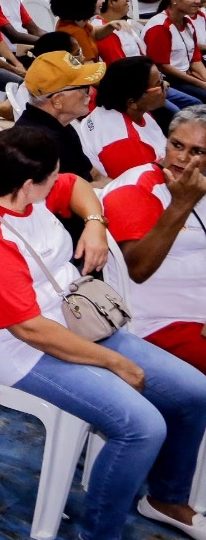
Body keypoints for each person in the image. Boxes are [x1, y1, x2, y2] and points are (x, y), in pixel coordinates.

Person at [0, 125, 206, 540]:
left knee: (194, 393)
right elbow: (29, 329)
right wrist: (115, 362)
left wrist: (95, 222)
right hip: (26, 353)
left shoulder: (29, 193)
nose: (59, 181)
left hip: (79, 323)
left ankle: (167, 498)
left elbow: (80, 189)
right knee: (141, 425)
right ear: (27, 185)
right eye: (52, 177)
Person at [105, 104, 206, 374]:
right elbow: (138, 269)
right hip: (158, 324)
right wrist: (181, 205)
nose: (183, 158)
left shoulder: (200, 183)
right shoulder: (136, 188)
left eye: (197, 151)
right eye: (177, 145)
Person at [18, 50, 102, 186]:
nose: (91, 92)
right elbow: (70, 197)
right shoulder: (41, 147)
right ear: (57, 100)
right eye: (84, 88)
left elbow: (90, 171)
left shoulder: (61, 124)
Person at [76, 56, 168, 178]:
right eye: (159, 83)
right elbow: (141, 189)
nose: (166, 85)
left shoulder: (128, 109)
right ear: (132, 102)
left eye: (162, 78)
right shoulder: (124, 144)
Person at [144, 0, 206, 102]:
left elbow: (195, 59)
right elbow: (163, 66)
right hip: (169, 79)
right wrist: (200, 83)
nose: (198, 1)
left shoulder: (187, 23)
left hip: (187, 75)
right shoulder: (160, 27)